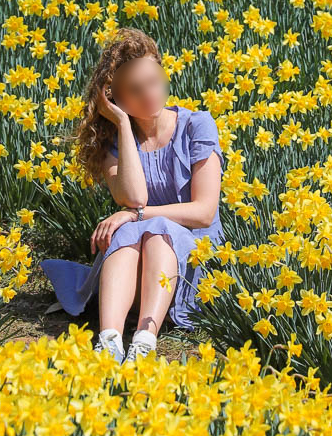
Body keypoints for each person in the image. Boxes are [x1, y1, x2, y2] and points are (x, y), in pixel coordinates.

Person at [40, 28, 225, 365]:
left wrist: (139, 215)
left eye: (155, 81)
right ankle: (109, 341)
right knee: (127, 232)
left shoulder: (197, 126)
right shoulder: (116, 143)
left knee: (153, 231)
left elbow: (203, 213)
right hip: (147, 270)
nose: (151, 95)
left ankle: (144, 341)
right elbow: (135, 197)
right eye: (136, 91)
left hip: (192, 262)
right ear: (116, 99)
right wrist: (123, 125)